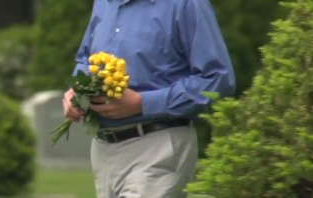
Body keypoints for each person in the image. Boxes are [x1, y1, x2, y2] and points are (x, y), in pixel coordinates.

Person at [61, 0, 236, 197]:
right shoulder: (103, 2)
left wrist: (142, 104)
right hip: (103, 151)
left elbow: (217, 78)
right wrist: (76, 92)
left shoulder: (186, 4)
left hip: (158, 146)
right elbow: (85, 59)